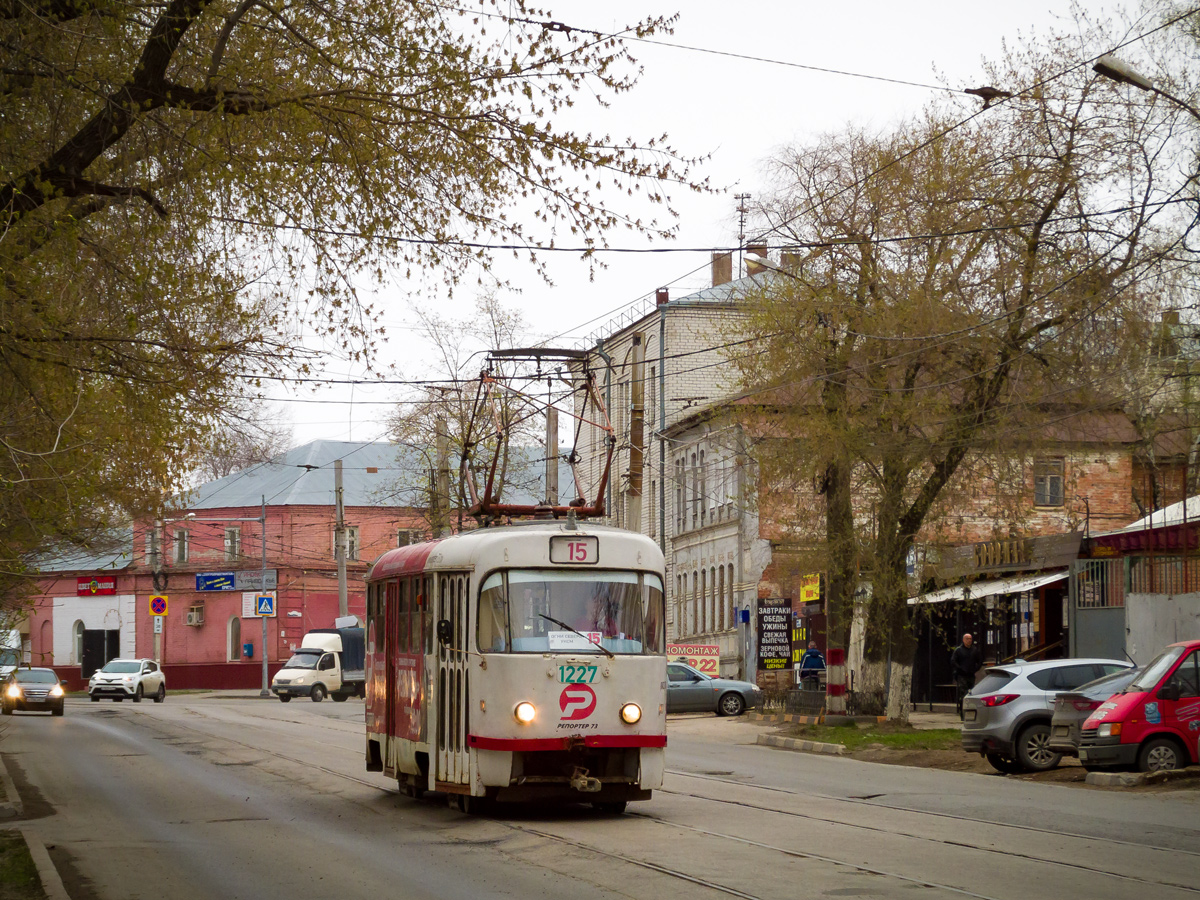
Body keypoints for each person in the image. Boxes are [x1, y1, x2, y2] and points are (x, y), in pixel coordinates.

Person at [950, 633, 982, 719]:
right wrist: (959, 668)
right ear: (963, 640)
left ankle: (970, 712)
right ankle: (962, 713)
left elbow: (979, 661)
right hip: (961, 675)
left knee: (971, 693)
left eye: (970, 639)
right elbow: (953, 661)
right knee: (963, 694)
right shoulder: (959, 650)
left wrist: (975, 669)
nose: (969, 640)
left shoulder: (974, 650)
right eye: (967, 639)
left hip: (971, 675)